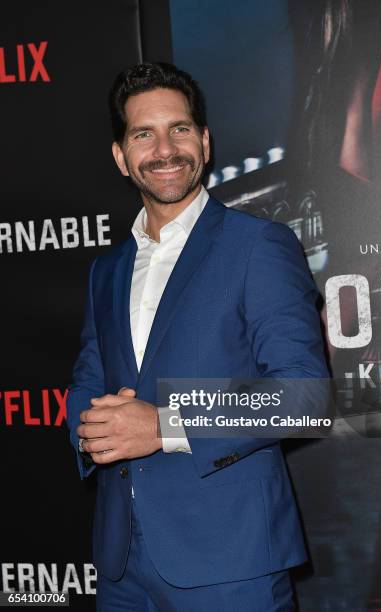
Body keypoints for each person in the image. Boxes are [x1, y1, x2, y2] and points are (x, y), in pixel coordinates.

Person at [66, 62, 328, 612]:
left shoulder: (259, 245)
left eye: (180, 129)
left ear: (205, 143)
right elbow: (89, 378)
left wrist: (163, 425)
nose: (165, 148)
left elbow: (305, 396)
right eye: (144, 134)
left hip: (230, 560)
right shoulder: (106, 270)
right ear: (121, 156)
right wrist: (91, 427)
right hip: (120, 565)